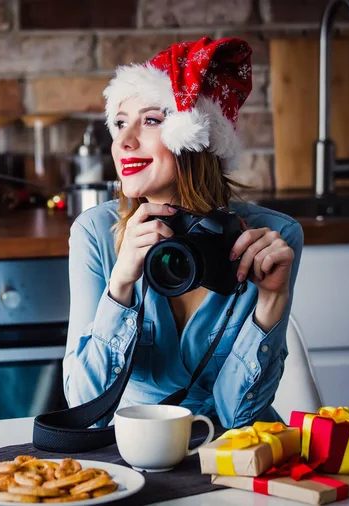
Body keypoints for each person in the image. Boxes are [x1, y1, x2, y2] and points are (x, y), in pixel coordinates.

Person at [62, 37, 303, 429]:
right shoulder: (94, 233)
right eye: (120, 122)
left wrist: (272, 300)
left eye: (151, 120)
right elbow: (86, 407)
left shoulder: (272, 236)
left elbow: (237, 416)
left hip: (231, 456)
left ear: (195, 138)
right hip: (137, 452)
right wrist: (121, 284)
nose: (123, 141)